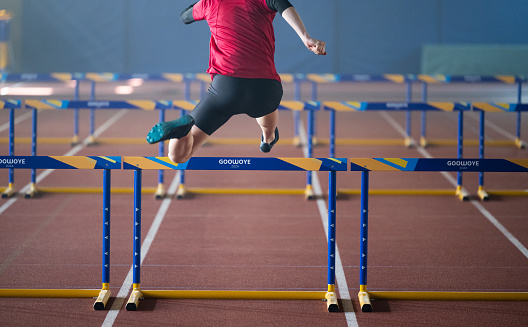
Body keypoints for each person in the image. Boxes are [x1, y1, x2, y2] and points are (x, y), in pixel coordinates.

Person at [146, 0, 326, 163]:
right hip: (266, 89)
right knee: (267, 117)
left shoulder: (210, 3)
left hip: (226, 90)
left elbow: (184, 17)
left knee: (177, 157)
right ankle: (268, 138)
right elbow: (283, 5)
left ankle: (182, 132)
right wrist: (305, 37)